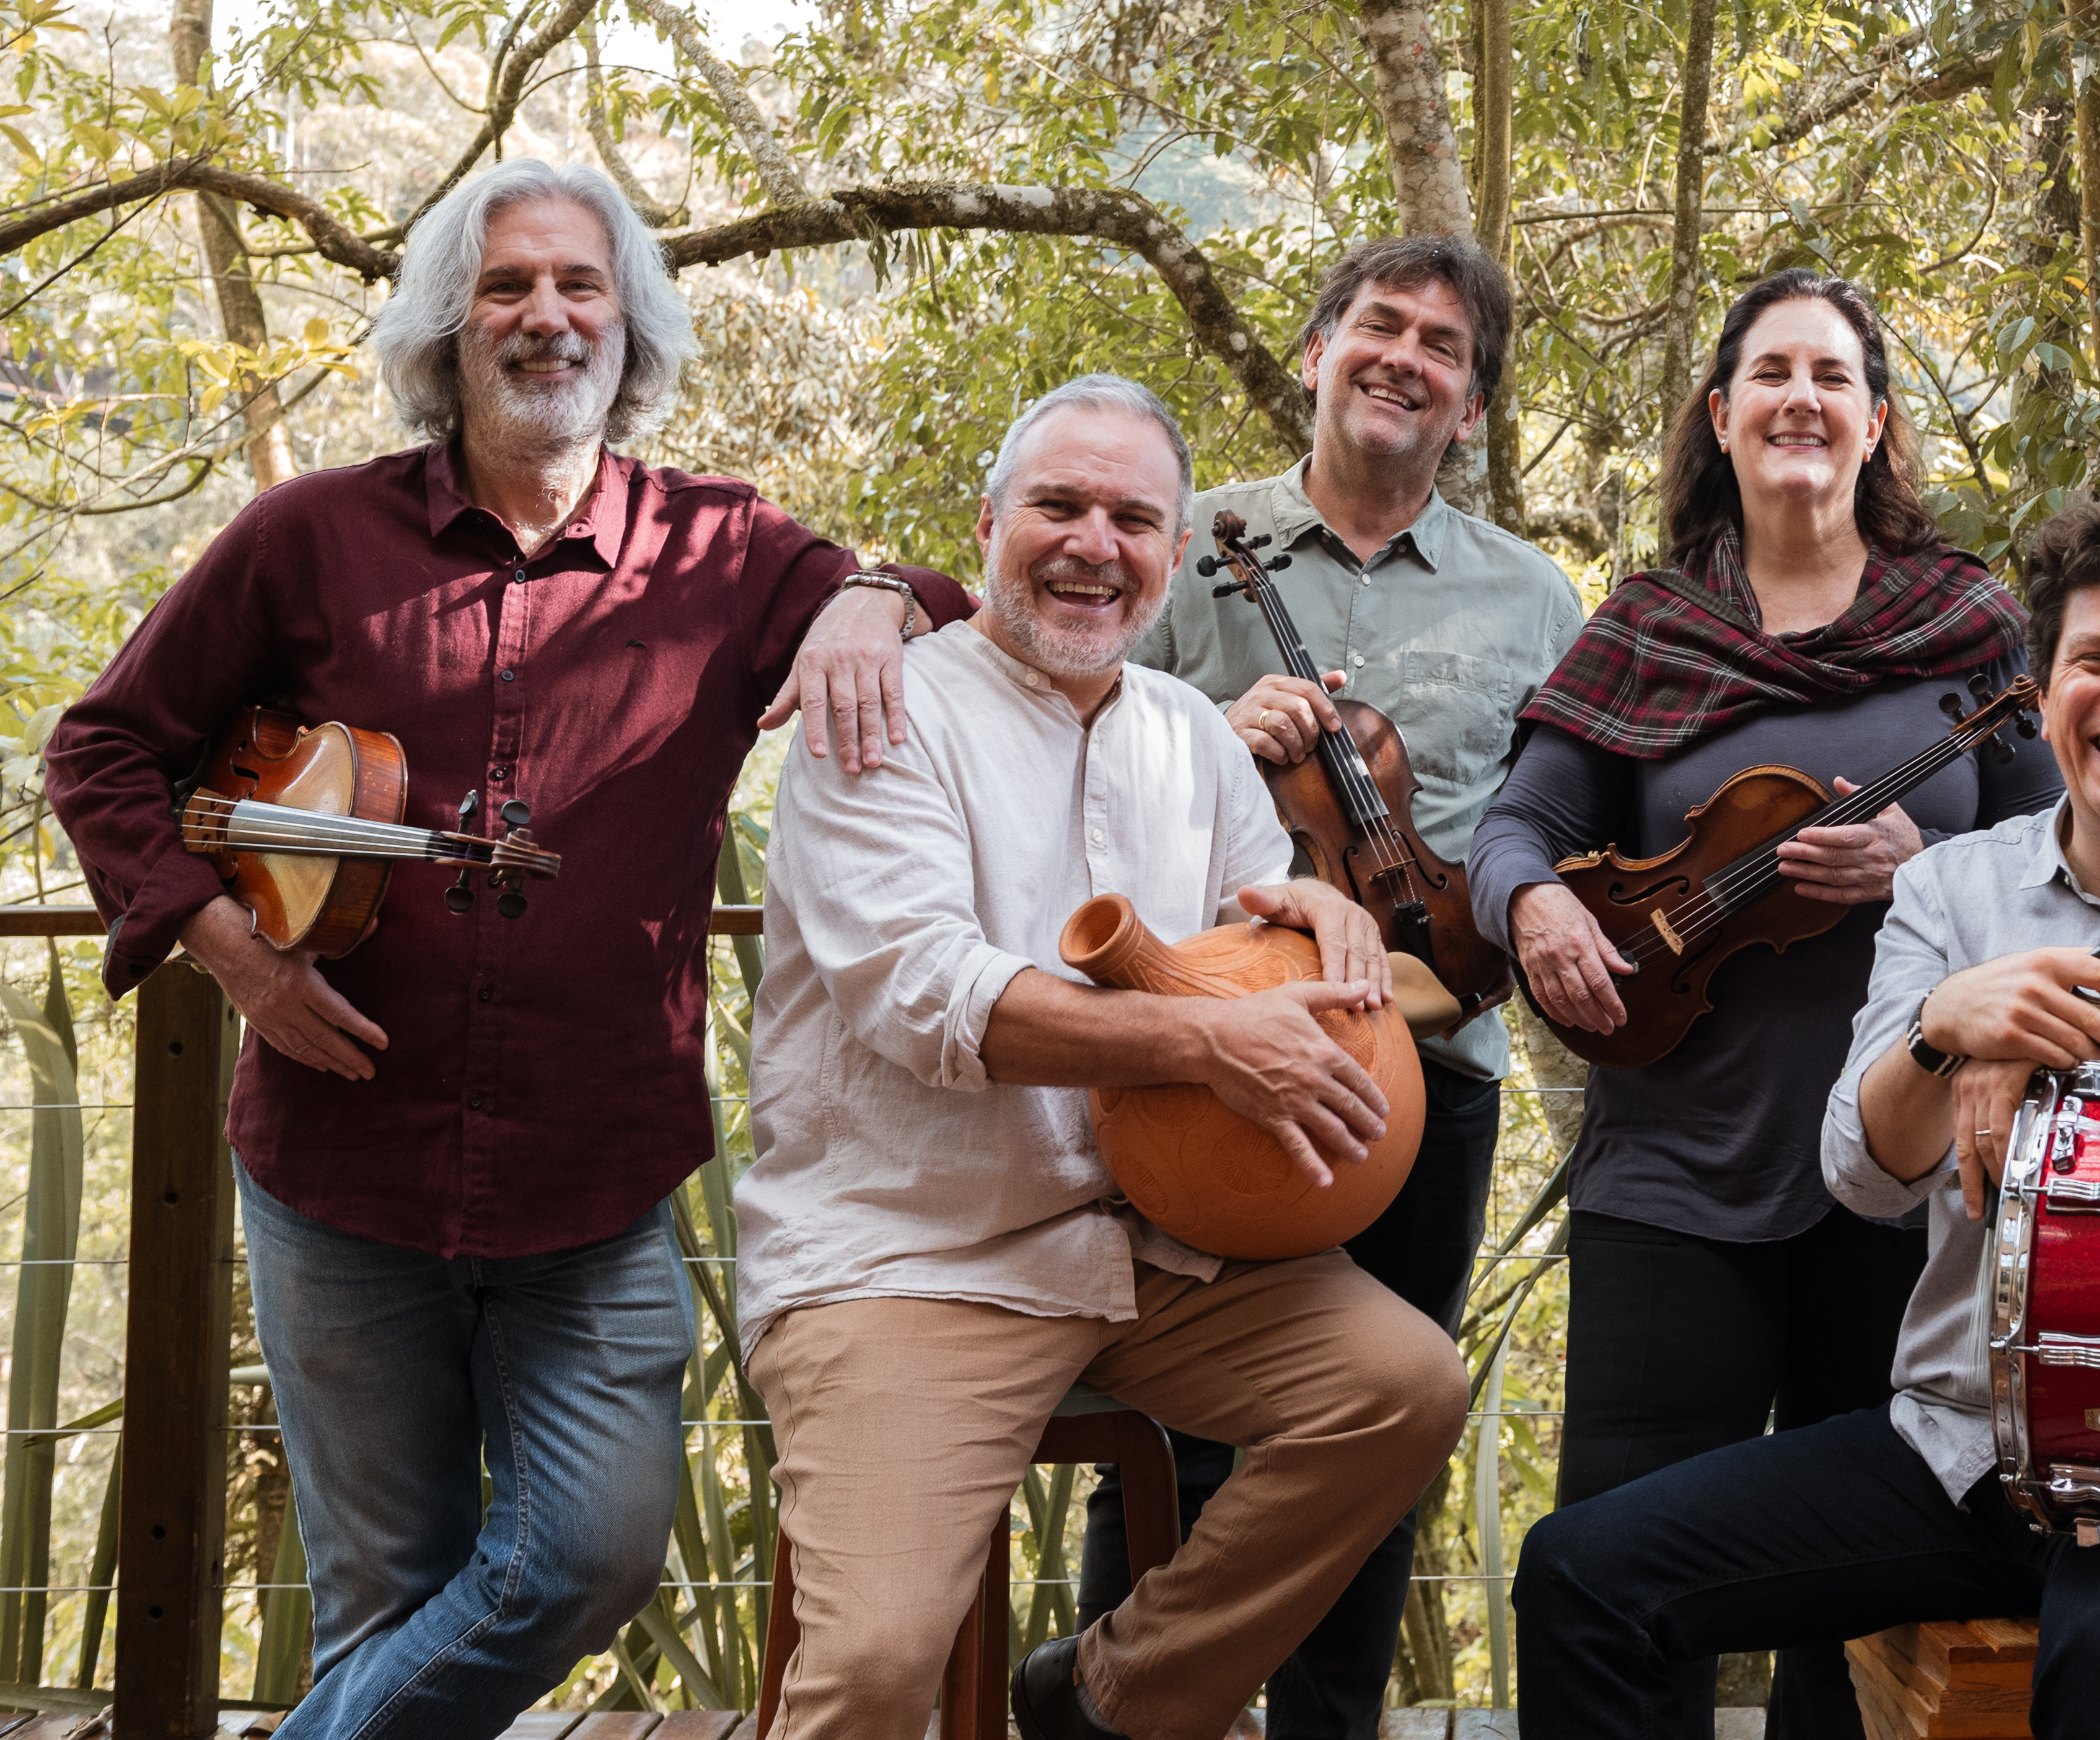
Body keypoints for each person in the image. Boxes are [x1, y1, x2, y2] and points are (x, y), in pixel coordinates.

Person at [43, 159, 969, 1737]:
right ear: (448, 327)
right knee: (389, 1602)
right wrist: (237, 958)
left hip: (594, 1179)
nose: (547, 316)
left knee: (587, 1560)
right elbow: (105, 752)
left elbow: (928, 603)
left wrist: (871, 597)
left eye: (581, 286)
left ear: (631, 325)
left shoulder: (726, 551)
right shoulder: (305, 539)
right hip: (342, 1171)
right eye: (507, 286)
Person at [1509, 499, 2100, 1739]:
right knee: (1585, 1573)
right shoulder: (1956, 886)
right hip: (1959, 1449)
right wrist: (1949, 1029)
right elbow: (1862, 1167)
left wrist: (2068, 1019)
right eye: (2096, 663)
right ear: (2044, 697)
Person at [735, 374, 1469, 1740]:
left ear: (1176, 553)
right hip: (916, 1254)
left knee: (1403, 1389)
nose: (1094, 543)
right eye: (1058, 505)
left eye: (1133, 518)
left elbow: (1251, 935)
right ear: (988, 521)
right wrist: (1202, 1035)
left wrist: (1315, 918)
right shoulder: (881, 711)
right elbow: (929, 997)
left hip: (1147, 1250)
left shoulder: (1190, 736)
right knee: (885, 1663)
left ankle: (1113, 1696)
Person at [1469, 265, 2060, 1738]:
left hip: (1912, 1177)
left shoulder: (1973, 624)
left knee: (1848, 1605)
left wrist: (1929, 862)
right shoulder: (1648, 626)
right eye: (1772, 375)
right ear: (1721, 417)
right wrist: (1537, 906)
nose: (1803, 398)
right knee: (1622, 1568)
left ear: (1875, 427)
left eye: (1833, 377)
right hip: (1674, 1173)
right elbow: (1510, 830)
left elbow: (2072, 860)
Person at [1071, 235, 1581, 1737]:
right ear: (1315, 350)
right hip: (1200, 1052)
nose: (1404, 359)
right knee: (1171, 1432)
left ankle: (1331, 1728)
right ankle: (1129, 1710)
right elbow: (1070, 751)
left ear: (1472, 406)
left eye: (1443, 346)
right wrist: (1210, 728)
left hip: (1427, 1077)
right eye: (1379, 326)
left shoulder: (1531, 596)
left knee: (1381, 1434)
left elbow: (1548, 821)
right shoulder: (1177, 535)